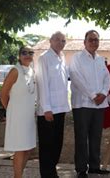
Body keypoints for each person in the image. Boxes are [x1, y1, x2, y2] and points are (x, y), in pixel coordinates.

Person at [69, 30, 110, 177]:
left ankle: (94, 166)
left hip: (99, 105)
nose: (94, 42)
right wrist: (93, 95)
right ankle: (81, 169)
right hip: (82, 104)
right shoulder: (77, 58)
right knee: (81, 137)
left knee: (96, 137)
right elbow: (76, 78)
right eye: (91, 40)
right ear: (85, 42)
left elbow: (107, 78)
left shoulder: (100, 59)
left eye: (96, 40)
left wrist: (104, 93)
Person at [36, 31, 70, 178]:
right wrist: (46, 109)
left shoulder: (62, 57)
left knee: (57, 143)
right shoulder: (44, 58)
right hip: (47, 111)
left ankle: (52, 172)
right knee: (47, 145)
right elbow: (42, 84)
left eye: (63, 41)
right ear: (50, 41)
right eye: (57, 40)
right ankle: (47, 174)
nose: (60, 43)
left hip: (61, 108)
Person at [0, 46, 37, 178]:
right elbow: (3, 93)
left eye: (30, 53)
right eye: (24, 53)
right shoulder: (15, 71)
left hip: (28, 117)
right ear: (19, 56)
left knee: (28, 148)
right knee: (20, 149)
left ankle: (19, 174)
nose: (27, 55)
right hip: (17, 117)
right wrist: (10, 110)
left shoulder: (32, 71)